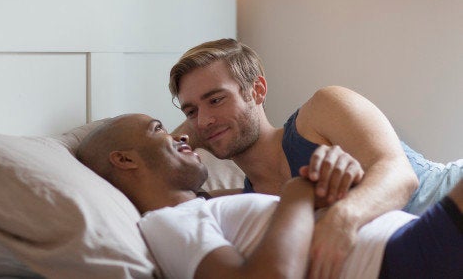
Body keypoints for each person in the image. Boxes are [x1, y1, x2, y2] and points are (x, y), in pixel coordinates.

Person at [167, 38, 463, 277]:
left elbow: (399, 174)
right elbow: (153, 160)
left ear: (257, 90)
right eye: (191, 111)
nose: (204, 120)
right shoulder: (244, 203)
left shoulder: (321, 111)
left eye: (216, 100)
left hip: (449, 194)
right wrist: (182, 137)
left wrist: (342, 219)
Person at [76, 113, 463, 279]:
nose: (183, 134)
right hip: (407, 260)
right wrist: (298, 191)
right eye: (158, 128)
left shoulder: (208, 206)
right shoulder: (166, 222)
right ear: (125, 159)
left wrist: (334, 187)